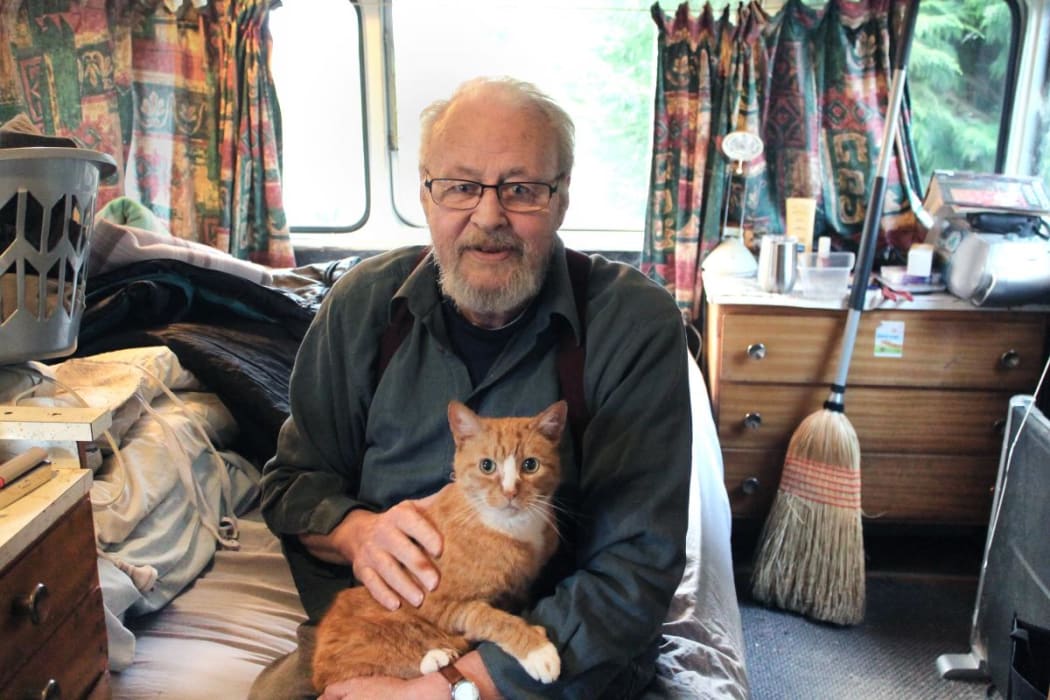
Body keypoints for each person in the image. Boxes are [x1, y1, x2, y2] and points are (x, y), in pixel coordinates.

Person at [253, 76, 693, 700]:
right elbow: (292, 485)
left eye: (521, 190)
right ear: (427, 197)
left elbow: (637, 568)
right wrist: (356, 531)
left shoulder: (634, 324)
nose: (489, 217)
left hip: (556, 650)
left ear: (561, 199)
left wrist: (456, 688)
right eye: (461, 187)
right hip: (390, 636)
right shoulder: (362, 306)